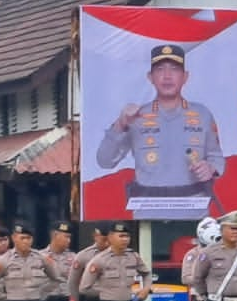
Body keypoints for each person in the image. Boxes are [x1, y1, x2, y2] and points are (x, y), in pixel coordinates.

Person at [95, 45, 226, 203]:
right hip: (148, 208)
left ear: (185, 77)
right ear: (150, 77)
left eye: (174, 69)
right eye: (160, 69)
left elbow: (216, 157)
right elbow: (104, 161)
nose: (167, 76)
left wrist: (210, 168)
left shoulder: (202, 114)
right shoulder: (136, 116)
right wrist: (120, 124)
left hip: (193, 207)